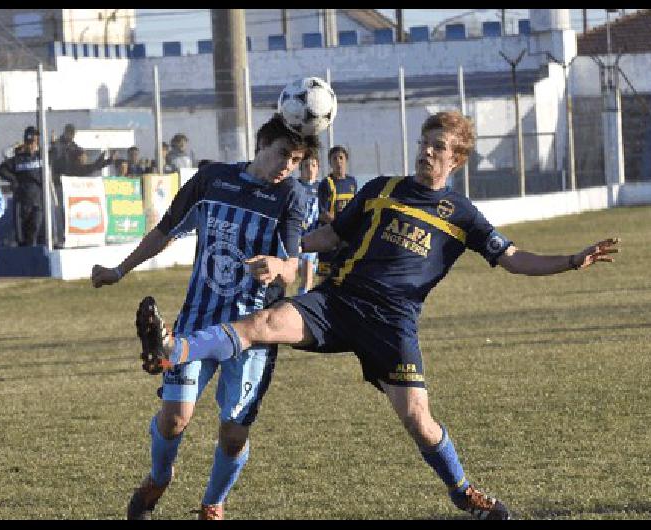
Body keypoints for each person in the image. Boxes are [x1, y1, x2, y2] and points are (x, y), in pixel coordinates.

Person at [134, 111, 622, 520]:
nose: (426, 151)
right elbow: (330, 238)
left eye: (437, 146)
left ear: (456, 158)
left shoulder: (462, 214)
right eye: (424, 142)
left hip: (393, 324)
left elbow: (514, 259)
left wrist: (569, 261)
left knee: (418, 419)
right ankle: (173, 348)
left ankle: (461, 491)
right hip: (340, 302)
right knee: (264, 324)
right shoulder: (382, 188)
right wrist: (284, 252)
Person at [91, 113, 320, 520]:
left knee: (233, 434)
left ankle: (213, 502)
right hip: (197, 322)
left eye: (296, 160)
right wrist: (119, 270)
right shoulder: (212, 180)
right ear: (261, 144)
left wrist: (277, 267)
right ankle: (159, 478)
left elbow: (296, 266)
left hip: (252, 333)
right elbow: (164, 230)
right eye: (284, 154)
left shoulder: (292, 196)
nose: (288, 165)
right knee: (175, 418)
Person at [0, 126, 44, 247]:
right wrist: (14, 180)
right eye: (29, 142)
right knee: (22, 235)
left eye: (33, 142)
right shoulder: (18, 159)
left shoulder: (42, 157)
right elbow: (0, 169)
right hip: (23, 202)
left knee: (36, 230)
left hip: (38, 201)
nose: (31, 145)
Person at [316, 145, 357, 282]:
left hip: (347, 237)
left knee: (344, 274)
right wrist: (339, 224)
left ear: (346, 160)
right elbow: (322, 213)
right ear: (330, 163)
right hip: (329, 235)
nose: (338, 161)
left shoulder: (352, 182)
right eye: (334, 159)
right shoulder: (326, 184)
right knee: (325, 277)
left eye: (341, 158)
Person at [296, 153, 321, 295]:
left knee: (308, 274)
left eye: (313, 165)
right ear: (300, 168)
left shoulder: (321, 187)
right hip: (295, 234)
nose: (310, 169)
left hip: (312, 235)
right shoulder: (295, 186)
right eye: (306, 166)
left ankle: (302, 300)